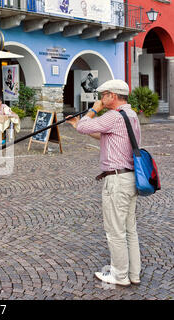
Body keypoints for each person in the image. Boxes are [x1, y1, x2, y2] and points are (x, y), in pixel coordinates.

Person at [66, 79, 141, 287]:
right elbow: (103, 136)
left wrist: (92, 111)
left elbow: (86, 125)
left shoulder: (113, 116)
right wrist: (79, 124)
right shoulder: (130, 115)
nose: (101, 99)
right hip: (129, 177)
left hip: (117, 180)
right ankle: (133, 274)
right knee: (129, 230)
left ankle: (119, 276)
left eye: (103, 95)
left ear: (113, 96)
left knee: (115, 231)